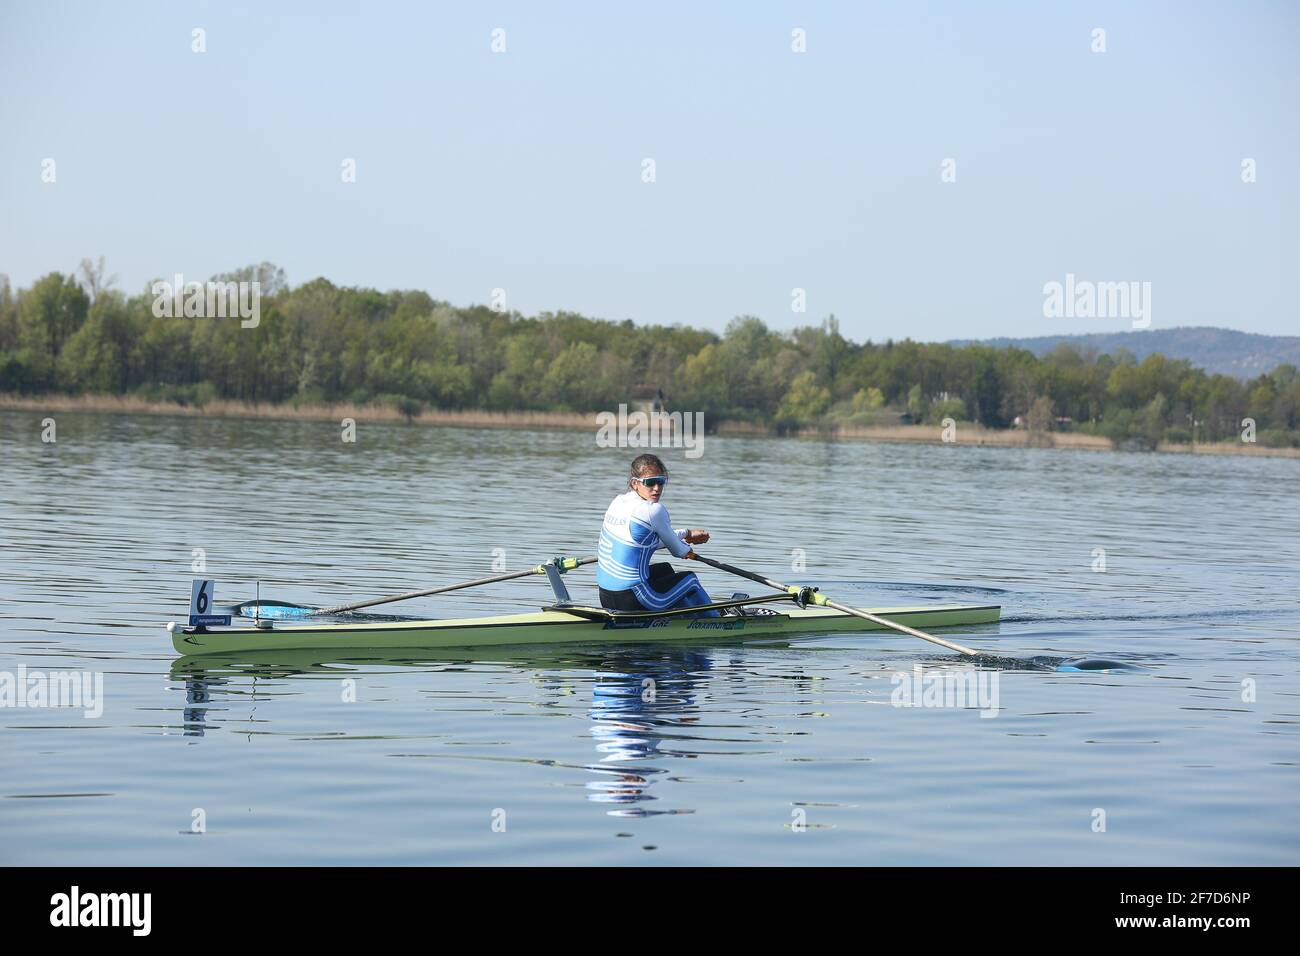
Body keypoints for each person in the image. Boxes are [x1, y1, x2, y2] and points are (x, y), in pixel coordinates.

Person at [596, 454, 719, 617]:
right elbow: (679, 551)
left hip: (606, 596)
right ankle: (714, 622)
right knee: (690, 580)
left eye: (660, 482)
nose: (656, 488)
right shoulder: (653, 510)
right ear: (635, 483)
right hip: (634, 601)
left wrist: (686, 533)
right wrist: (687, 548)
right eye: (650, 482)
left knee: (664, 570)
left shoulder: (618, 502)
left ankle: (683, 616)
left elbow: (648, 542)